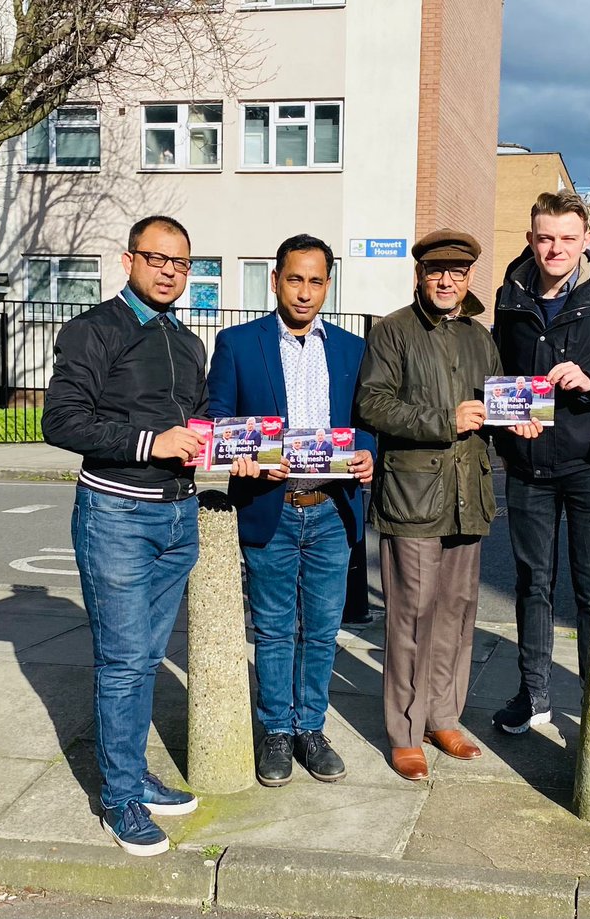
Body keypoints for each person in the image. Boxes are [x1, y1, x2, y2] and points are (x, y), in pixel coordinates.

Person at [43, 215, 207, 856]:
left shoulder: (188, 341)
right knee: (123, 662)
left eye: (181, 263)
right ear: (128, 260)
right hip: (116, 515)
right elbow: (61, 420)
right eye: (157, 258)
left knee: (143, 659)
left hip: (177, 516)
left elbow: (194, 426)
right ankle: (118, 801)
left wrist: (233, 449)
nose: (169, 270)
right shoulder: (94, 329)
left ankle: (134, 775)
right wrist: (151, 442)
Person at [207, 234, 375, 788]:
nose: (305, 292)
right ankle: (276, 731)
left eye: (317, 280)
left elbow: (367, 421)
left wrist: (369, 457)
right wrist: (249, 457)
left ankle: (312, 729)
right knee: (275, 630)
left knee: (323, 631)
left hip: (330, 509)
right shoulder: (237, 344)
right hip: (270, 507)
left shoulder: (352, 348)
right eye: (295, 278)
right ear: (275, 279)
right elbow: (218, 419)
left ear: (329, 284)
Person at [491, 189, 590, 733]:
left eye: (565, 238)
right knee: (532, 584)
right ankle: (532, 694)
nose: (554, 248)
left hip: (589, 462)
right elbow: (501, 373)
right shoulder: (509, 295)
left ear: (585, 240)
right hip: (528, 464)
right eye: (544, 238)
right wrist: (505, 415)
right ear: (531, 239)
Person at [357, 228, 505, 781]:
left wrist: (519, 421)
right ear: (419, 275)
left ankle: (444, 716)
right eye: (437, 271)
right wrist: (445, 421)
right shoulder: (392, 331)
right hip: (412, 497)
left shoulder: (478, 336)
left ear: (469, 279)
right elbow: (371, 404)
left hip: (469, 495)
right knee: (411, 617)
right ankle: (405, 729)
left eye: (458, 272)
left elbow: (498, 402)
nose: (447, 280)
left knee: (457, 613)